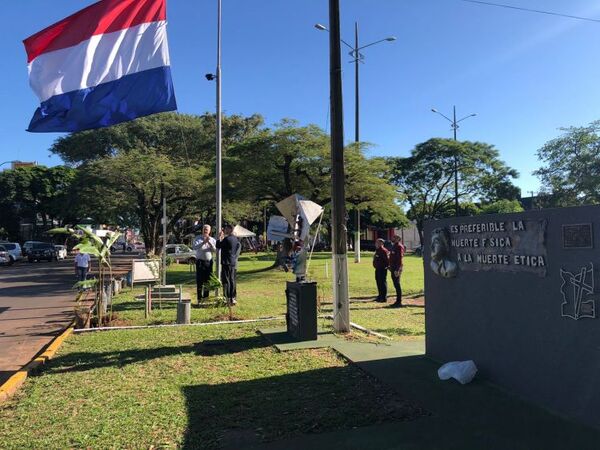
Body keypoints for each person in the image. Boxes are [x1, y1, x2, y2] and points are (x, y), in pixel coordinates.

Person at [216, 224, 241, 305]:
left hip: (226, 262)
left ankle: (227, 297)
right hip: (233, 262)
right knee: (232, 280)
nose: (224, 230)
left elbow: (218, 245)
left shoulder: (227, 239)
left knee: (226, 280)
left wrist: (219, 237)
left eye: (226, 229)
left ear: (230, 229)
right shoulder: (235, 239)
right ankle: (233, 297)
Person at [192, 224, 216, 301]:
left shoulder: (212, 239)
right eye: (204, 229)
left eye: (207, 229)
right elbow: (194, 247)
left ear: (209, 231)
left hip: (208, 263)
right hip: (200, 262)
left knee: (207, 281)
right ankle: (199, 298)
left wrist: (209, 243)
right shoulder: (198, 238)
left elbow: (215, 250)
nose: (205, 230)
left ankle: (206, 298)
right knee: (200, 280)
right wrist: (203, 242)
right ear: (202, 230)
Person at [389, 235, 404, 307]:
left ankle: (399, 301)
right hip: (393, 267)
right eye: (393, 237)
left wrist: (397, 269)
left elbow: (399, 258)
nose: (393, 238)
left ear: (398, 239)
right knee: (395, 284)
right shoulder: (394, 246)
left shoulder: (399, 246)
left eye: (394, 237)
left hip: (396, 268)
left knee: (397, 284)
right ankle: (397, 301)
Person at [373, 238, 390, 302]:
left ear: (381, 243)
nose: (376, 244)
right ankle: (380, 296)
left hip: (382, 269)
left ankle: (384, 297)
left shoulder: (383, 250)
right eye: (376, 243)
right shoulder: (378, 250)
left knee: (382, 282)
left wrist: (387, 266)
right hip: (378, 269)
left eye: (378, 243)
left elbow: (387, 260)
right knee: (378, 282)